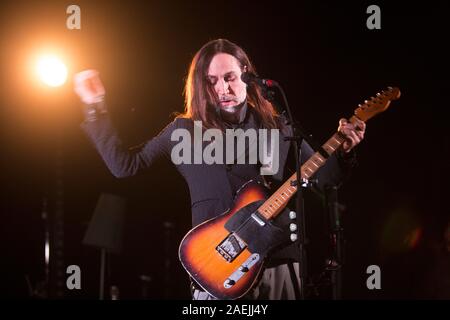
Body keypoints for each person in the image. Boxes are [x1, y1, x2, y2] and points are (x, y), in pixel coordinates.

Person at [74, 38, 365, 300]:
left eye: (229, 78)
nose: (222, 89)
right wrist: (94, 107)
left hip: (278, 263)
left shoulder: (277, 127)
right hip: (216, 267)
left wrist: (345, 150)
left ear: (247, 75)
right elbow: (124, 166)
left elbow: (325, 180)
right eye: (211, 81)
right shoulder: (183, 131)